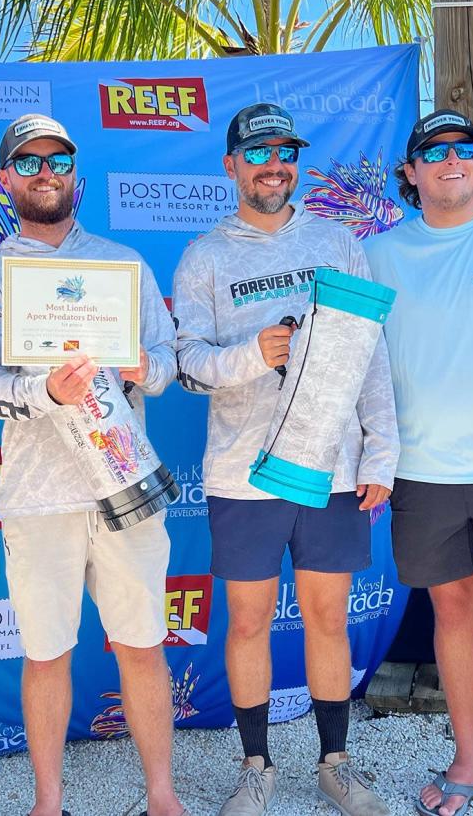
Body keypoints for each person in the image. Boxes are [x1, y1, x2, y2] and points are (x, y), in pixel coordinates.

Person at [172, 103, 398, 816]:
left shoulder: (338, 241)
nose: (276, 163)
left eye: (286, 152)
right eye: (259, 151)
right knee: (246, 623)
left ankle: (335, 763)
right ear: (232, 165)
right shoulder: (205, 255)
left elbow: (372, 355)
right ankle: (256, 767)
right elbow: (184, 364)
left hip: (330, 470)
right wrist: (253, 354)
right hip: (245, 472)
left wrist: (381, 452)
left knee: (328, 621)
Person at [0, 113, 186, 816]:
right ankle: (49, 803)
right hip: (38, 495)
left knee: (144, 645)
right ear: (6, 181)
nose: (45, 174)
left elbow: (170, 365)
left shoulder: (123, 265)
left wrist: (141, 365)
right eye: (28, 164)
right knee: (46, 654)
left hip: (124, 488)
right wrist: (44, 390)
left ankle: (161, 796)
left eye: (56, 161)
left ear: (75, 174)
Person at [364, 109, 473, 816]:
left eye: (467, 149)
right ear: (412, 170)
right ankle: (471, 761)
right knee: (454, 612)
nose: (454, 159)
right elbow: (355, 364)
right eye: (437, 150)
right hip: (420, 471)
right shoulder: (378, 254)